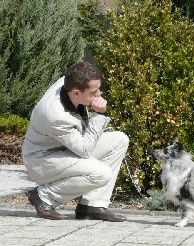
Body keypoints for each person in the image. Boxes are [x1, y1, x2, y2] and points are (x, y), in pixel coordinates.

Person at [22, 61, 129, 222]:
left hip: (64, 149)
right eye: (94, 92)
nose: (99, 94)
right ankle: (43, 197)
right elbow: (85, 150)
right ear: (77, 93)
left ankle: (92, 204)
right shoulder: (56, 115)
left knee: (119, 139)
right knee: (101, 174)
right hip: (43, 160)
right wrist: (98, 115)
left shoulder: (69, 82)